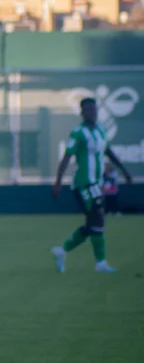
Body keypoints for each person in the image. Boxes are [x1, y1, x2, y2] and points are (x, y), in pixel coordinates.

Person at [51, 97, 133, 273]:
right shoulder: (78, 133)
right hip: (83, 184)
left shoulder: (101, 130)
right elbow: (67, 157)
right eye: (87, 110)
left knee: (92, 225)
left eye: (93, 109)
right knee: (97, 219)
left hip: (97, 183)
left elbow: (108, 151)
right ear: (82, 113)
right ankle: (100, 264)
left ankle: (62, 251)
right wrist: (58, 182)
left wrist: (123, 170)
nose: (91, 113)